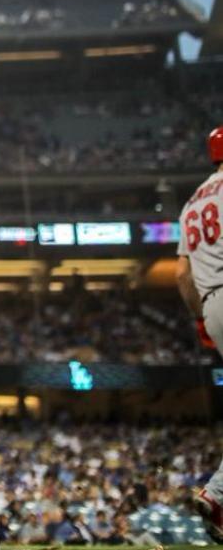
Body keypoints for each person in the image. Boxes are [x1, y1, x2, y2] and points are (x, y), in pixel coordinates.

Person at [177, 127, 223, 543]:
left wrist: (202, 321)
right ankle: (220, 494)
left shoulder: (192, 202)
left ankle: (219, 498)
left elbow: (181, 275)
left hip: (211, 305)